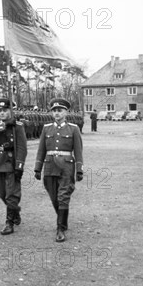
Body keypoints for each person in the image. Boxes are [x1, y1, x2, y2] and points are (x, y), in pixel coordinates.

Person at [34, 98, 84, 242]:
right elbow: (41, 149)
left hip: (66, 166)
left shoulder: (73, 129)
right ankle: (63, 218)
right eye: (54, 111)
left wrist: (79, 169)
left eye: (60, 110)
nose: (57, 113)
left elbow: (78, 151)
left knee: (63, 196)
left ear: (66, 112)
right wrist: (38, 168)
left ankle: (60, 228)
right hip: (49, 166)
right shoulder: (46, 128)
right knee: (53, 196)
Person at [0, 98, 27, 235]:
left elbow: (22, 147)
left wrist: (20, 165)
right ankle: (15, 210)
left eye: (5, 110)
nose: (2, 113)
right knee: (1, 193)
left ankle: (9, 222)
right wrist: (4, 124)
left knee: (11, 194)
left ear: (11, 111)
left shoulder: (18, 126)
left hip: (11, 162)